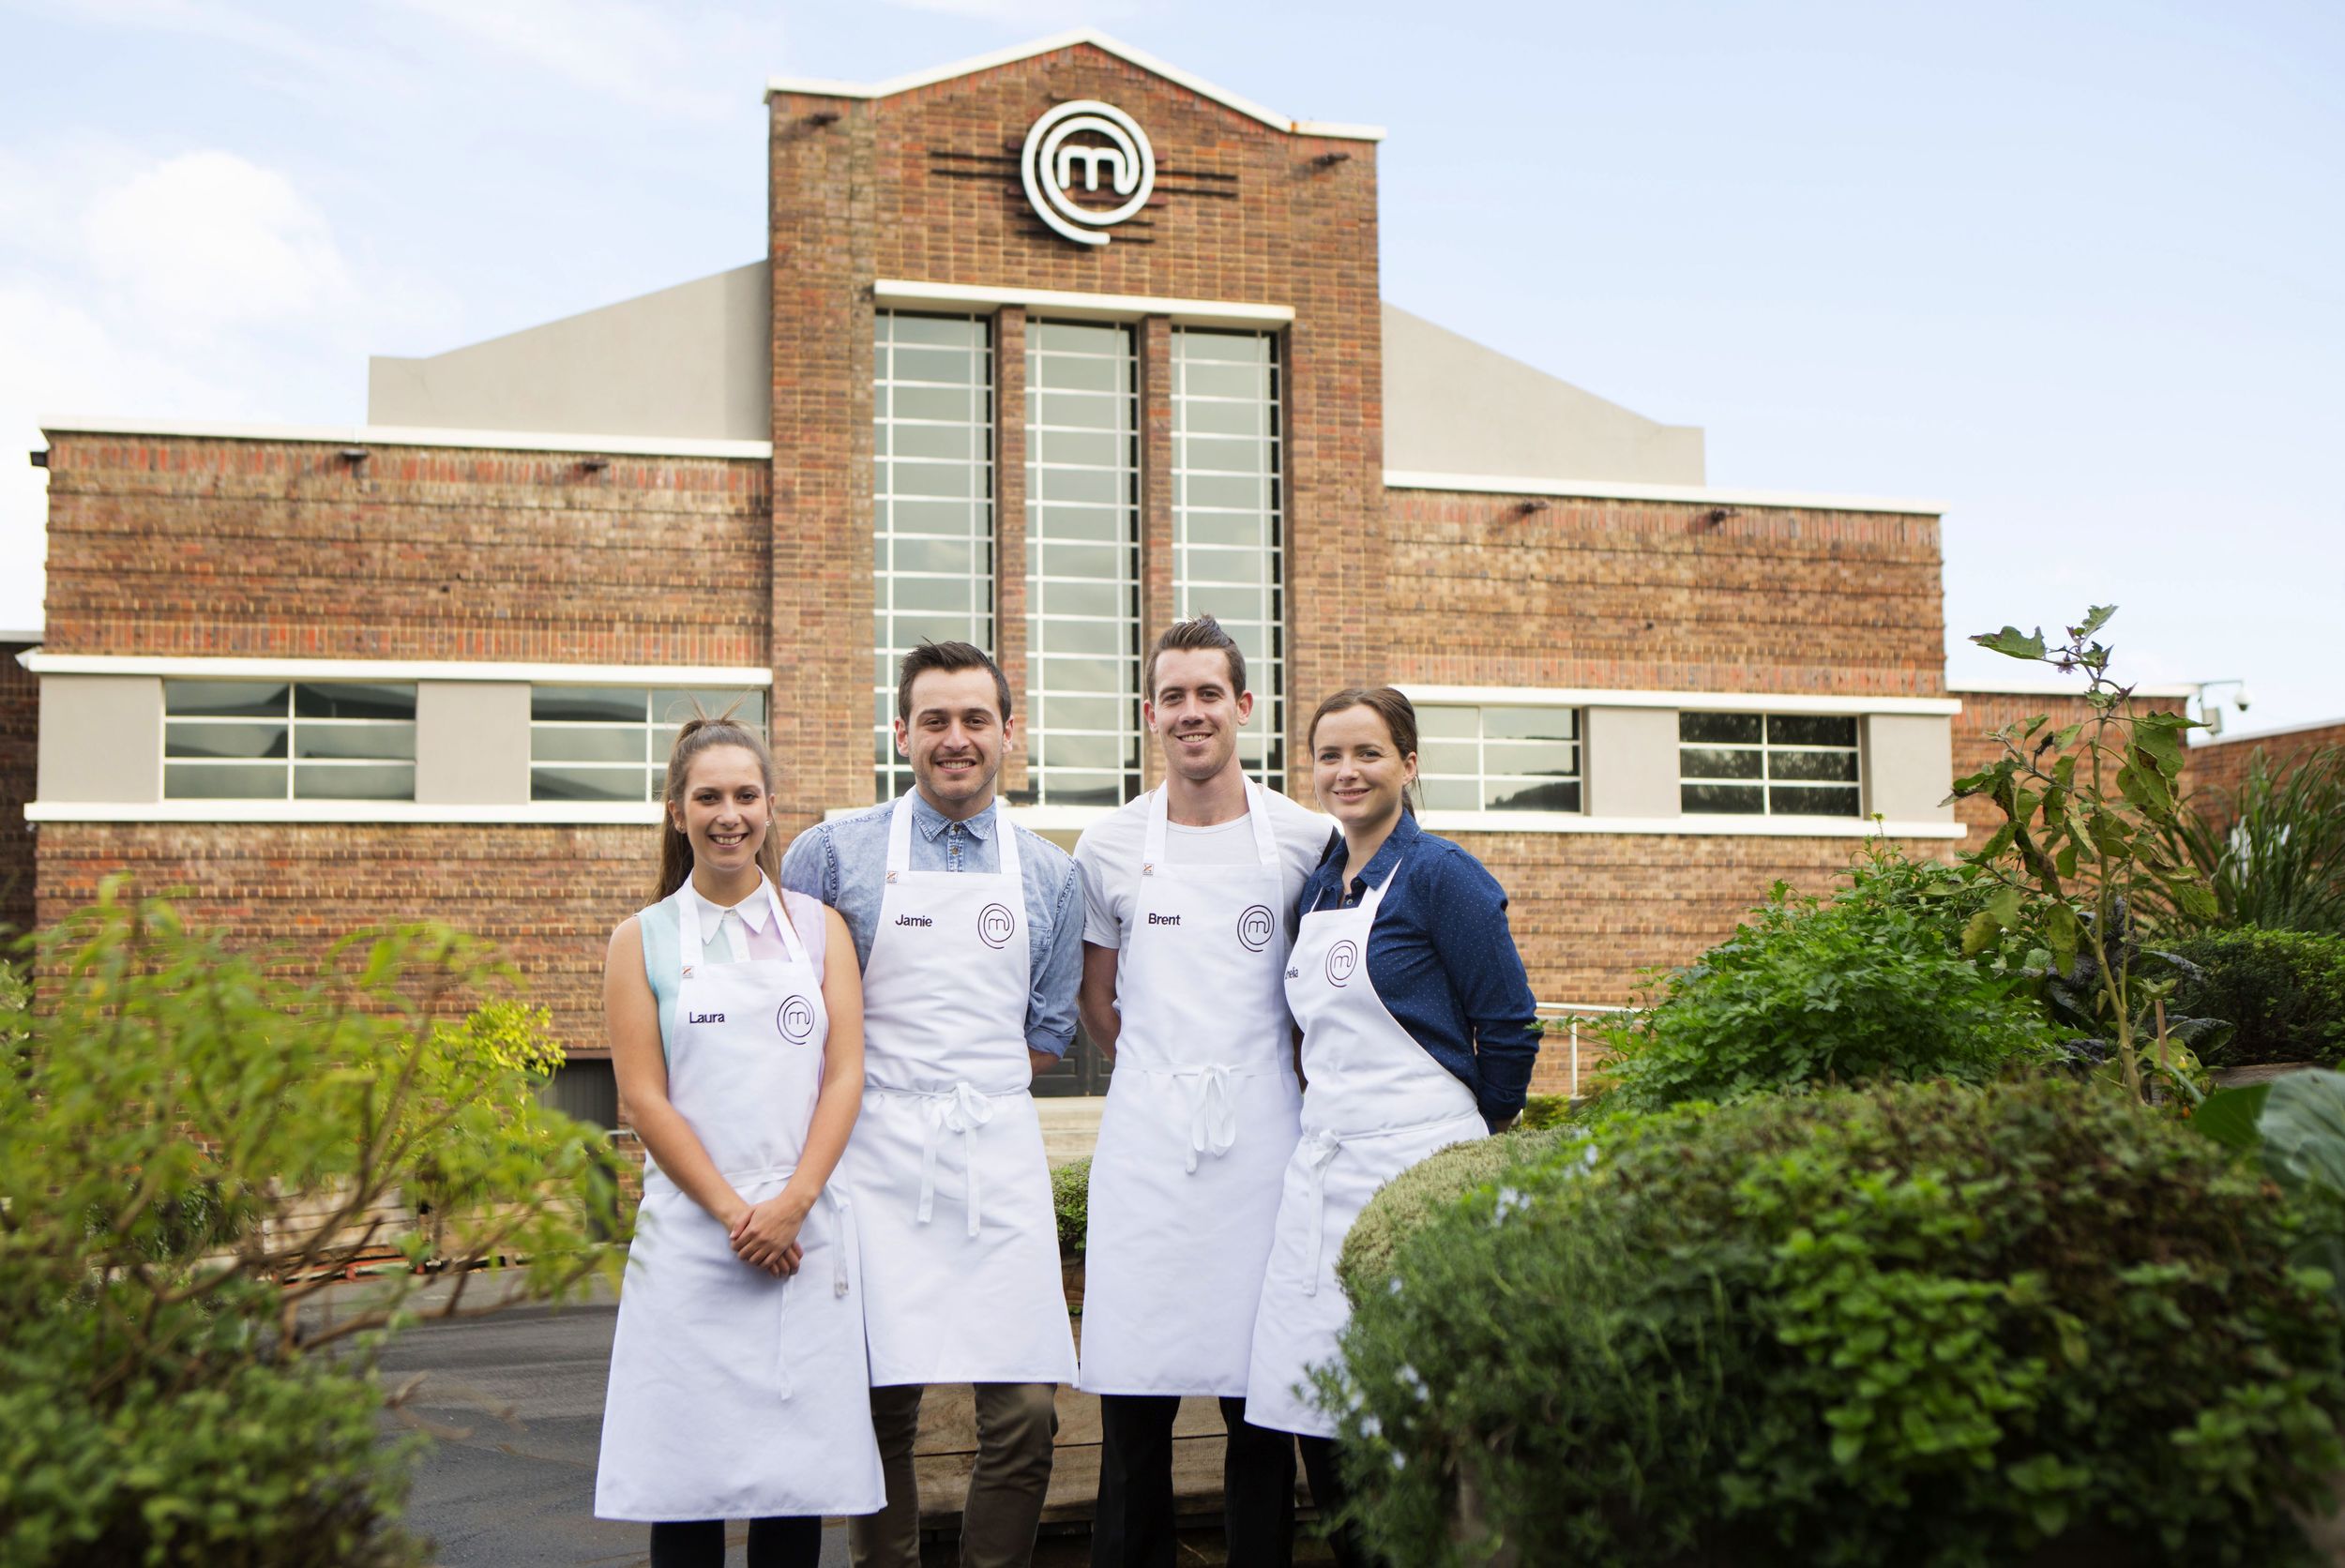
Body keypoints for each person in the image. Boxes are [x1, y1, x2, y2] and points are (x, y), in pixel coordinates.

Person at [781, 641, 1083, 1568]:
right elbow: (790, 1022)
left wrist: (964, 1091)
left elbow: (1048, 1034)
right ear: (902, 731)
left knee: (1027, 1412)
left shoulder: (1049, 874)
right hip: (870, 1154)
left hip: (993, 1150)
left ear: (1007, 733)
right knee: (876, 1404)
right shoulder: (829, 854)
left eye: (976, 720)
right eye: (936, 721)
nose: (957, 739)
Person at [1244, 687, 1540, 1568]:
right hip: (1323, 1168)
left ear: (1409, 765)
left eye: (1368, 753)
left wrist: (1463, 1130)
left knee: (1414, 1411)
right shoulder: (1316, 890)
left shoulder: (1443, 876)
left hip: (1421, 1165)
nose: (1348, 772)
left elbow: (1512, 1024)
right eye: (1330, 756)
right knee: (1316, 1402)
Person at [595, 713, 884, 1567]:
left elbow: (845, 1076)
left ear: (769, 805)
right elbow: (644, 1100)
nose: (731, 814)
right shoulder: (638, 940)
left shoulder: (820, 928)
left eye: (747, 795)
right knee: (688, 1486)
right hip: (694, 1239)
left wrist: (791, 1204)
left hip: (803, 1227)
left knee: (790, 1488)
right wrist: (736, 1215)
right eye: (709, 796)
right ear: (676, 811)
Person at [1072, 616, 1329, 1568]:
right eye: (1173, 696)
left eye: (1208, 693)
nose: (1191, 712)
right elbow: (1097, 1000)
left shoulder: (1307, 838)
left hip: (1266, 1145)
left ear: (1244, 706)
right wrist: (1160, 1078)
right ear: (1150, 714)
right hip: (1147, 1149)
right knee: (1133, 1408)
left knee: (1257, 1406)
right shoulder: (1106, 844)